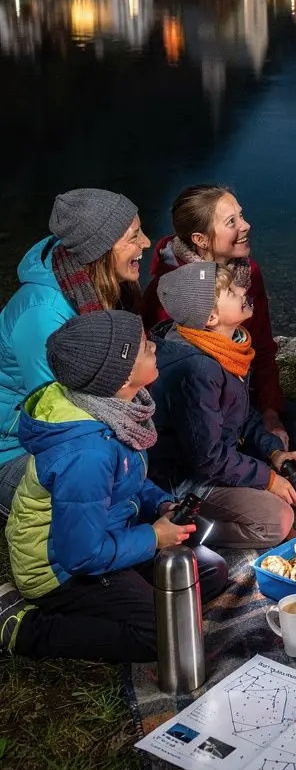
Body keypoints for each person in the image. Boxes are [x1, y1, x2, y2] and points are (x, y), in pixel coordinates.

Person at [0, 310, 228, 660]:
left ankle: (130, 597)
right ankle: (27, 628)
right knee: (165, 636)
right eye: (142, 347)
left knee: (209, 572)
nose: (153, 344)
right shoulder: (87, 454)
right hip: (61, 569)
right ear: (121, 379)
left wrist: (160, 505)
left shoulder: (116, 410)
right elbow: (81, 554)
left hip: (110, 534)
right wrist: (153, 538)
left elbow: (125, 483)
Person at [142, 184, 296, 471]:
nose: (246, 225)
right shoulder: (171, 290)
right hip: (197, 412)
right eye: (232, 222)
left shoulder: (247, 272)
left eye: (241, 216)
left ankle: (251, 459)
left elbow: (264, 350)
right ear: (201, 239)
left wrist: (270, 413)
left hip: (244, 400)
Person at [0, 189, 150, 522]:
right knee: (97, 499)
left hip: (65, 433)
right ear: (100, 251)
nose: (148, 243)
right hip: (14, 449)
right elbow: (59, 420)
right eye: (134, 237)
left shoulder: (93, 284)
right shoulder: (43, 315)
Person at [149, 260, 296, 549]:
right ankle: (186, 529)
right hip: (187, 481)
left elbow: (242, 414)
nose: (243, 289)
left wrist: (273, 452)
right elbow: (206, 457)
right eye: (232, 291)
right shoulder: (198, 369)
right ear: (210, 317)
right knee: (278, 520)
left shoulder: (228, 347)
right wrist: (267, 480)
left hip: (223, 462)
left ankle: (250, 499)